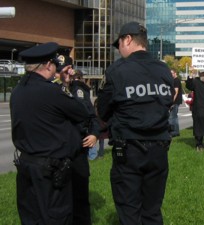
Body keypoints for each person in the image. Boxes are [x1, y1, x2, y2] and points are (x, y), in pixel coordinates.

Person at [96, 21, 174, 225]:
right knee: (152, 210)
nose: (119, 49)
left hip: (129, 150)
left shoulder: (117, 70)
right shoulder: (163, 69)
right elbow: (167, 104)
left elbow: (103, 110)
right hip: (159, 149)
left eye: (119, 44)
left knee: (130, 211)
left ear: (128, 39)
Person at [10, 42, 90, 225]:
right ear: (47, 65)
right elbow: (82, 112)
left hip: (26, 165)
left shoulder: (17, 91)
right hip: (50, 170)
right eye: (54, 64)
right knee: (56, 217)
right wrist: (71, 83)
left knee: (31, 217)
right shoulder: (52, 91)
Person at [64, 65, 99, 225]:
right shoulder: (54, 89)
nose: (70, 78)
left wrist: (94, 134)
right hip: (60, 148)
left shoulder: (80, 90)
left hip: (78, 147)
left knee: (80, 194)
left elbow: (91, 116)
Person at [169, 69, 183, 137]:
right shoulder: (174, 80)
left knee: (172, 117)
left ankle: (174, 132)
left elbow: (176, 92)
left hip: (175, 101)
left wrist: (172, 101)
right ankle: (176, 132)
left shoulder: (176, 80)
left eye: (172, 73)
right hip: (176, 101)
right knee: (175, 117)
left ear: (175, 73)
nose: (171, 75)